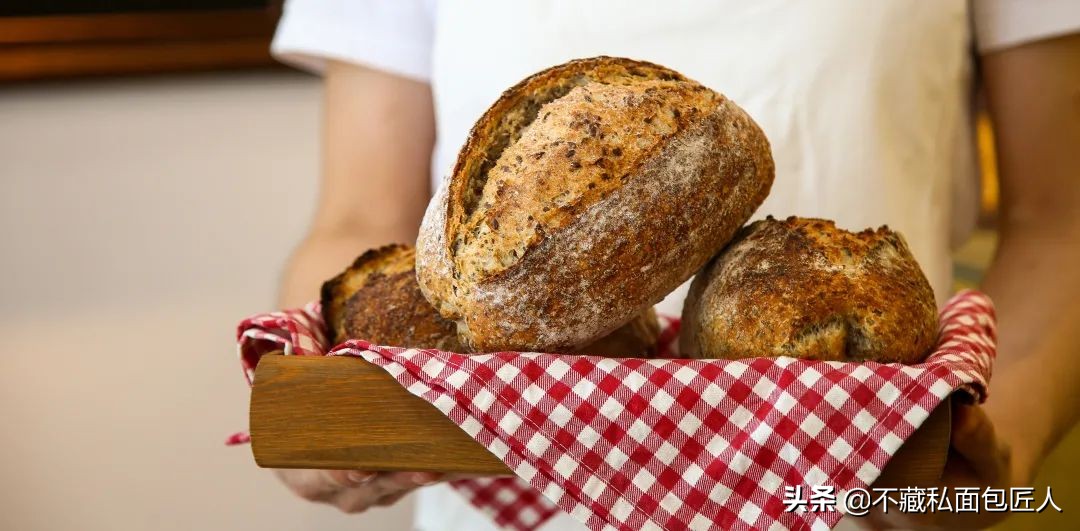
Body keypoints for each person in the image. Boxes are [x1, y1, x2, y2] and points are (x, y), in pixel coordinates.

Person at [268, 1, 1080, 529]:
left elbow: (1059, 221)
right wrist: (324, 409)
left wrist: (988, 442)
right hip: (509, 497)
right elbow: (360, 225)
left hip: (861, 499)